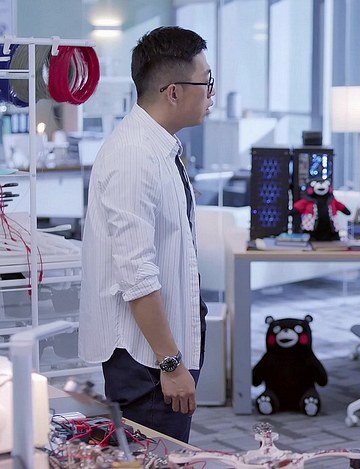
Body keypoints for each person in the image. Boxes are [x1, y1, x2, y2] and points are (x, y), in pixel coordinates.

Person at [79, 26, 215, 442]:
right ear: (173, 92)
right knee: (157, 457)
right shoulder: (134, 156)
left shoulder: (159, 147)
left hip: (162, 347)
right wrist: (170, 364)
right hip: (148, 360)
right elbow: (135, 273)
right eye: (206, 82)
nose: (212, 94)